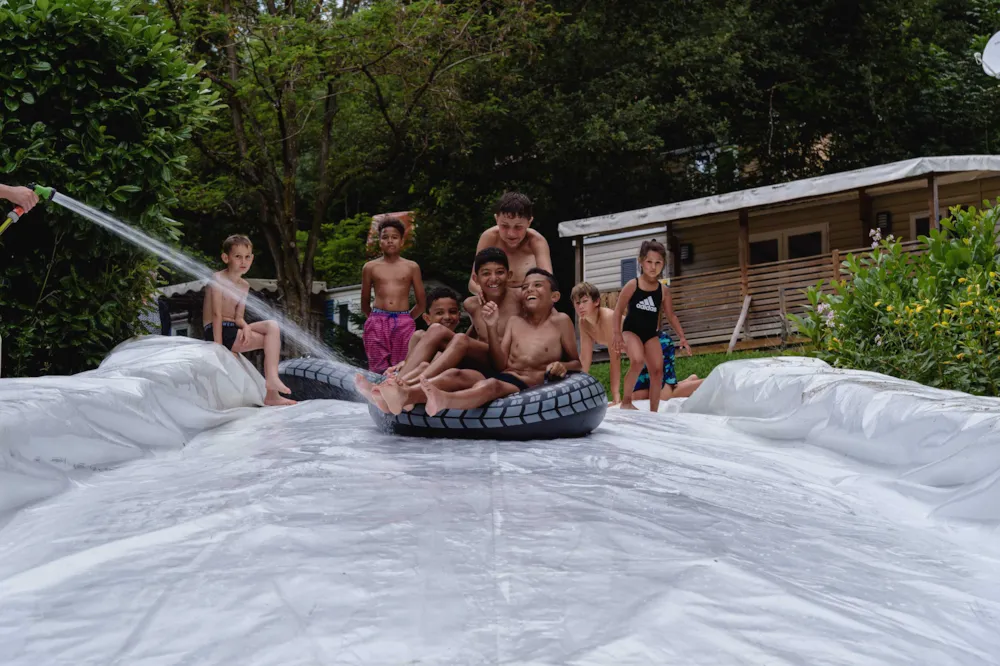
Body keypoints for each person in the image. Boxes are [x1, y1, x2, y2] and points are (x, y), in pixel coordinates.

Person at [369, 249, 522, 414]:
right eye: (486, 274)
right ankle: (397, 384)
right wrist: (404, 363)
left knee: (460, 339)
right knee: (436, 330)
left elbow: (546, 318)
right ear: (476, 279)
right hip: (482, 361)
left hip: (504, 363)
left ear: (509, 275)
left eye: (499, 272)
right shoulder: (471, 304)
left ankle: (407, 387)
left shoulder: (520, 298)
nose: (493, 279)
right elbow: (476, 332)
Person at [419, 268, 581, 416]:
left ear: (554, 296)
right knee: (455, 374)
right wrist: (492, 326)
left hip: (526, 384)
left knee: (491, 385)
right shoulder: (515, 321)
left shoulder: (561, 321)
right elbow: (500, 364)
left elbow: (576, 363)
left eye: (537, 285)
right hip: (505, 375)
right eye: (524, 287)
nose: (529, 289)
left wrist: (563, 366)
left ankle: (444, 400)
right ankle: (406, 394)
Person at [203, 234, 296, 406]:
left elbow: (238, 317)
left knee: (272, 326)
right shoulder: (217, 279)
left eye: (247, 257)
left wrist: (245, 327)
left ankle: (272, 387)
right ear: (226, 258)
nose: (243, 261)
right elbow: (216, 315)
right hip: (218, 331)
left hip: (234, 329)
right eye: (237, 256)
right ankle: (272, 391)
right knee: (269, 338)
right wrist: (218, 348)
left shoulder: (244, 285)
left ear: (252, 258)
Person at [611, 239, 692, 412]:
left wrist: (682, 337)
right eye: (649, 262)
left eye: (658, 263)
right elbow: (617, 311)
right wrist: (617, 334)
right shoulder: (633, 285)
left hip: (650, 334)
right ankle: (626, 402)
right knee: (638, 361)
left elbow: (671, 315)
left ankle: (653, 411)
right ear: (641, 261)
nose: (653, 267)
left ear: (663, 264)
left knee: (657, 371)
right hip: (631, 332)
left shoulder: (663, 291)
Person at [354, 286, 463, 412]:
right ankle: (390, 390)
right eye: (439, 313)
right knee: (419, 338)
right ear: (427, 318)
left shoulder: (460, 342)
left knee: (425, 365)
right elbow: (410, 362)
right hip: (417, 378)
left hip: (438, 382)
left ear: (459, 316)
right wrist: (401, 365)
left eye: (453, 312)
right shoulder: (421, 338)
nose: (447, 317)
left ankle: (393, 391)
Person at [361, 218, 426, 373]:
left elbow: (422, 303)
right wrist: (374, 320)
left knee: (403, 366)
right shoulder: (370, 267)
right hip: (377, 320)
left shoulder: (411, 267)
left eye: (394, 237)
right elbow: (364, 302)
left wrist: (406, 319)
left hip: (404, 321)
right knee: (377, 367)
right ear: (379, 241)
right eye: (385, 237)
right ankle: (375, 395)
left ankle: (399, 395)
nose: (390, 241)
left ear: (402, 241)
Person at [468, 192, 552, 295]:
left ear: (529, 222)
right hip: (495, 298)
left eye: (518, 227)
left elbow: (548, 283)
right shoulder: (489, 237)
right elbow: (473, 283)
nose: (511, 234)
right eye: (504, 226)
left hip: (526, 298)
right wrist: (482, 292)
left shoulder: (536, 241)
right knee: (469, 302)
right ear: (496, 219)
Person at [571, 281, 622, 405]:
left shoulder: (607, 317)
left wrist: (615, 395)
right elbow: (585, 359)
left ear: (596, 302)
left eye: (584, 301)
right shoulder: (583, 322)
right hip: (636, 355)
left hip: (649, 345)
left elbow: (615, 358)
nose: (580, 306)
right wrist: (576, 390)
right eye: (577, 303)